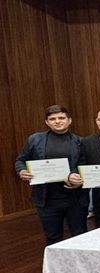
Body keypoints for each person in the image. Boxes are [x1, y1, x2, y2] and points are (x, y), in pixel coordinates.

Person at [15, 105, 88, 245]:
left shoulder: (80, 141)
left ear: (69, 120)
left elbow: (84, 164)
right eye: (52, 119)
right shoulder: (35, 139)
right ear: (47, 122)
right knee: (52, 238)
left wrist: (76, 175)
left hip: (75, 200)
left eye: (61, 118)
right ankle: (56, 267)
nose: (57, 121)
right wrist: (22, 171)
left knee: (79, 237)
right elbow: (21, 160)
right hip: (46, 200)